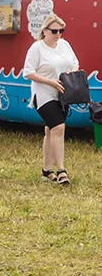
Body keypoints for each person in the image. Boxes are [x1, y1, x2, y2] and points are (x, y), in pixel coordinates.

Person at [23, 13, 79, 185]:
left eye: (61, 31)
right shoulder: (37, 48)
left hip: (63, 93)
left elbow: (75, 62)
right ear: (45, 30)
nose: (58, 35)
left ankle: (47, 170)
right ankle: (61, 169)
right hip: (44, 93)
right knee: (59, 128)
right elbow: (28, 72)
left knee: (50, 130)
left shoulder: (64, 45)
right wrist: (49, 81)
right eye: (54, 31)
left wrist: (71, 72)